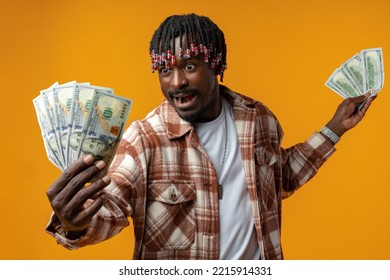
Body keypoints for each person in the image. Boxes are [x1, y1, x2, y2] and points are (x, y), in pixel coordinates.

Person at [46, 13, 374, 260]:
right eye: (165, 70)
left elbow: (280, 179)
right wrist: (74, 224)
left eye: (189, 66)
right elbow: (111, 210)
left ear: (216, 65)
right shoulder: (144, 140)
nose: (176, 82)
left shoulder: (258, 119)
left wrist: (335, 128)